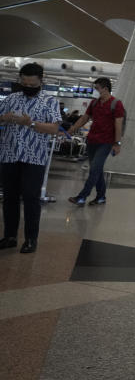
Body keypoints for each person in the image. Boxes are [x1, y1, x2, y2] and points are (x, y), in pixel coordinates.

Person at [0, 63, 62, 254]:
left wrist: (31, 123)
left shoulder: (49, 101)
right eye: (24, 82)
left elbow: (54, 129)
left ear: (40, 81)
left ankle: (30, 239)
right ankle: (10, 236)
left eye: (32, 84)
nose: (27, 86)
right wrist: (4, 118)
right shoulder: (11, 98)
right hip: (9, 154)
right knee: (9, 197)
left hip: (34, 157)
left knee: (30, 197)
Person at [67, 77, 125, 207]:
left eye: (97, 88)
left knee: (94, 169)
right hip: (92, 140)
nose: (96, 91)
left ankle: (82, 197)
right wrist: (73, 129)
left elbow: (118, 124)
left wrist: (117, 143)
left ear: (105, 88)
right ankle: (101, 197)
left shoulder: (116, 104)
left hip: (106, 142)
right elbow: (85, 118)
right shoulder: (94, 103)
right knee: (97, 170)